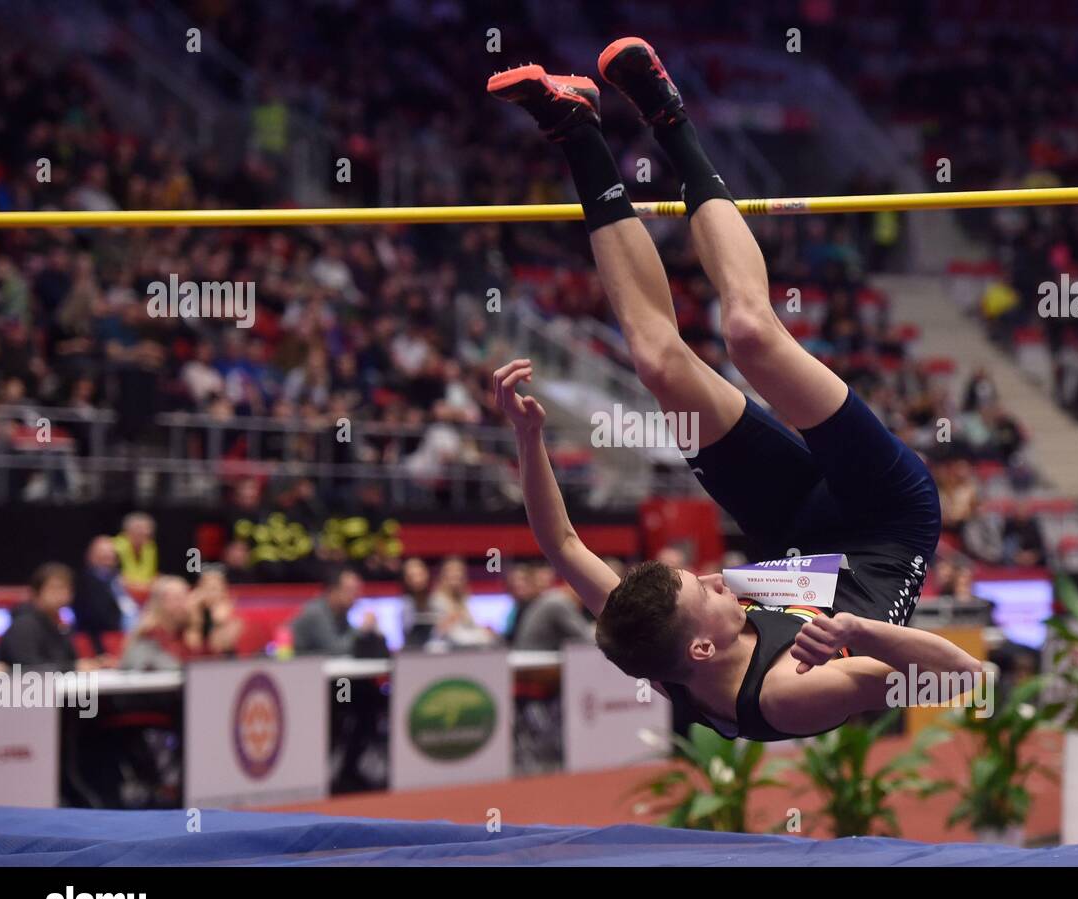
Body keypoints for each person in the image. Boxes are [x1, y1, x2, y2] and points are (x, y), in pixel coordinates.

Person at [489, 38, 979, 742]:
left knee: (659, 365)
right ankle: (669, 116)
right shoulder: (789, 693)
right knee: (750, 331)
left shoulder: (653, 644)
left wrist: (529, 439)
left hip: (794, 527)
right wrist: (861, 632)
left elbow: (562, 545)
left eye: (704, 580)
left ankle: (576, 129)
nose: (723, 580)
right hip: (885, 519)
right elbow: (966, 679)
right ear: (703, 648)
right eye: (708, 593)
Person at [0, 563, 90, 670]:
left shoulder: (61, 624)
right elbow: (28, 667)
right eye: (55, 588)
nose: (62, 594)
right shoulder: (23, 625)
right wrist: (72, 667)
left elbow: (69, 659)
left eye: (66, 588)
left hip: (60, 684)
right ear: (36, 592)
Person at [291, 567, 382, 656]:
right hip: (295, 667)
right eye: (349, 590)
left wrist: (373, 632)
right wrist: (363, 630)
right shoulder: (316, 612)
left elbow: (348, 638)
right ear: (332, 590)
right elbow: (335, 649)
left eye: (357, 591)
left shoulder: (340, 612)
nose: (355, 596)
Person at [72, 535, 138, 654]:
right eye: (103, 554)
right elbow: (95, 618)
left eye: (111, 554)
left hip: (128, 637)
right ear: (90, 556)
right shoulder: (84, 583)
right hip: (101, 641)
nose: (108, 557)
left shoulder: (118, 580)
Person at [118, 575, 197, 670]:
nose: (184, 605)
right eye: (177, 599)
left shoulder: (189, 632)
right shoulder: (147, 635)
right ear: (160, 603)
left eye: (186, 597)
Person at [428, 557, 496, 648]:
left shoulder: (465, 599)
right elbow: (446, 634)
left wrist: (484, 630)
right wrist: (482, 635)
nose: (456, 579)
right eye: (452, 575)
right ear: (443, 577)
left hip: (467, 645)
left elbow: (471, 625)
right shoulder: (436, 600)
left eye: (459, 576)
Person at [186, 566, 244, 657]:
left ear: (224, 591)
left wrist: (219, 623)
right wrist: (194, 616)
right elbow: (192, 647)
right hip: (197, 662)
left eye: (214, 589)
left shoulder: (232, 613)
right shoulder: (194, 611)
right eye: (205, 588)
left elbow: (217, 649)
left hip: (224, 664)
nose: (209, 593)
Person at [399, 558, 438, 650]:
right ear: (405, 579)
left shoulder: (436, 600)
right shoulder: (405, 604)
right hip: (413, 652)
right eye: (412, 576)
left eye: (419, 575)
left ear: (426, 574)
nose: (417, 580)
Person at [113, 512, 158, 591]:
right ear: (127, 531)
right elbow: (114, 579)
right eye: (140, 528)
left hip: (143, 590)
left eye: (148, 529)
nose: (146, 531)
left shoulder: (149, 547)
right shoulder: (114, 547)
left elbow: (151, 575)